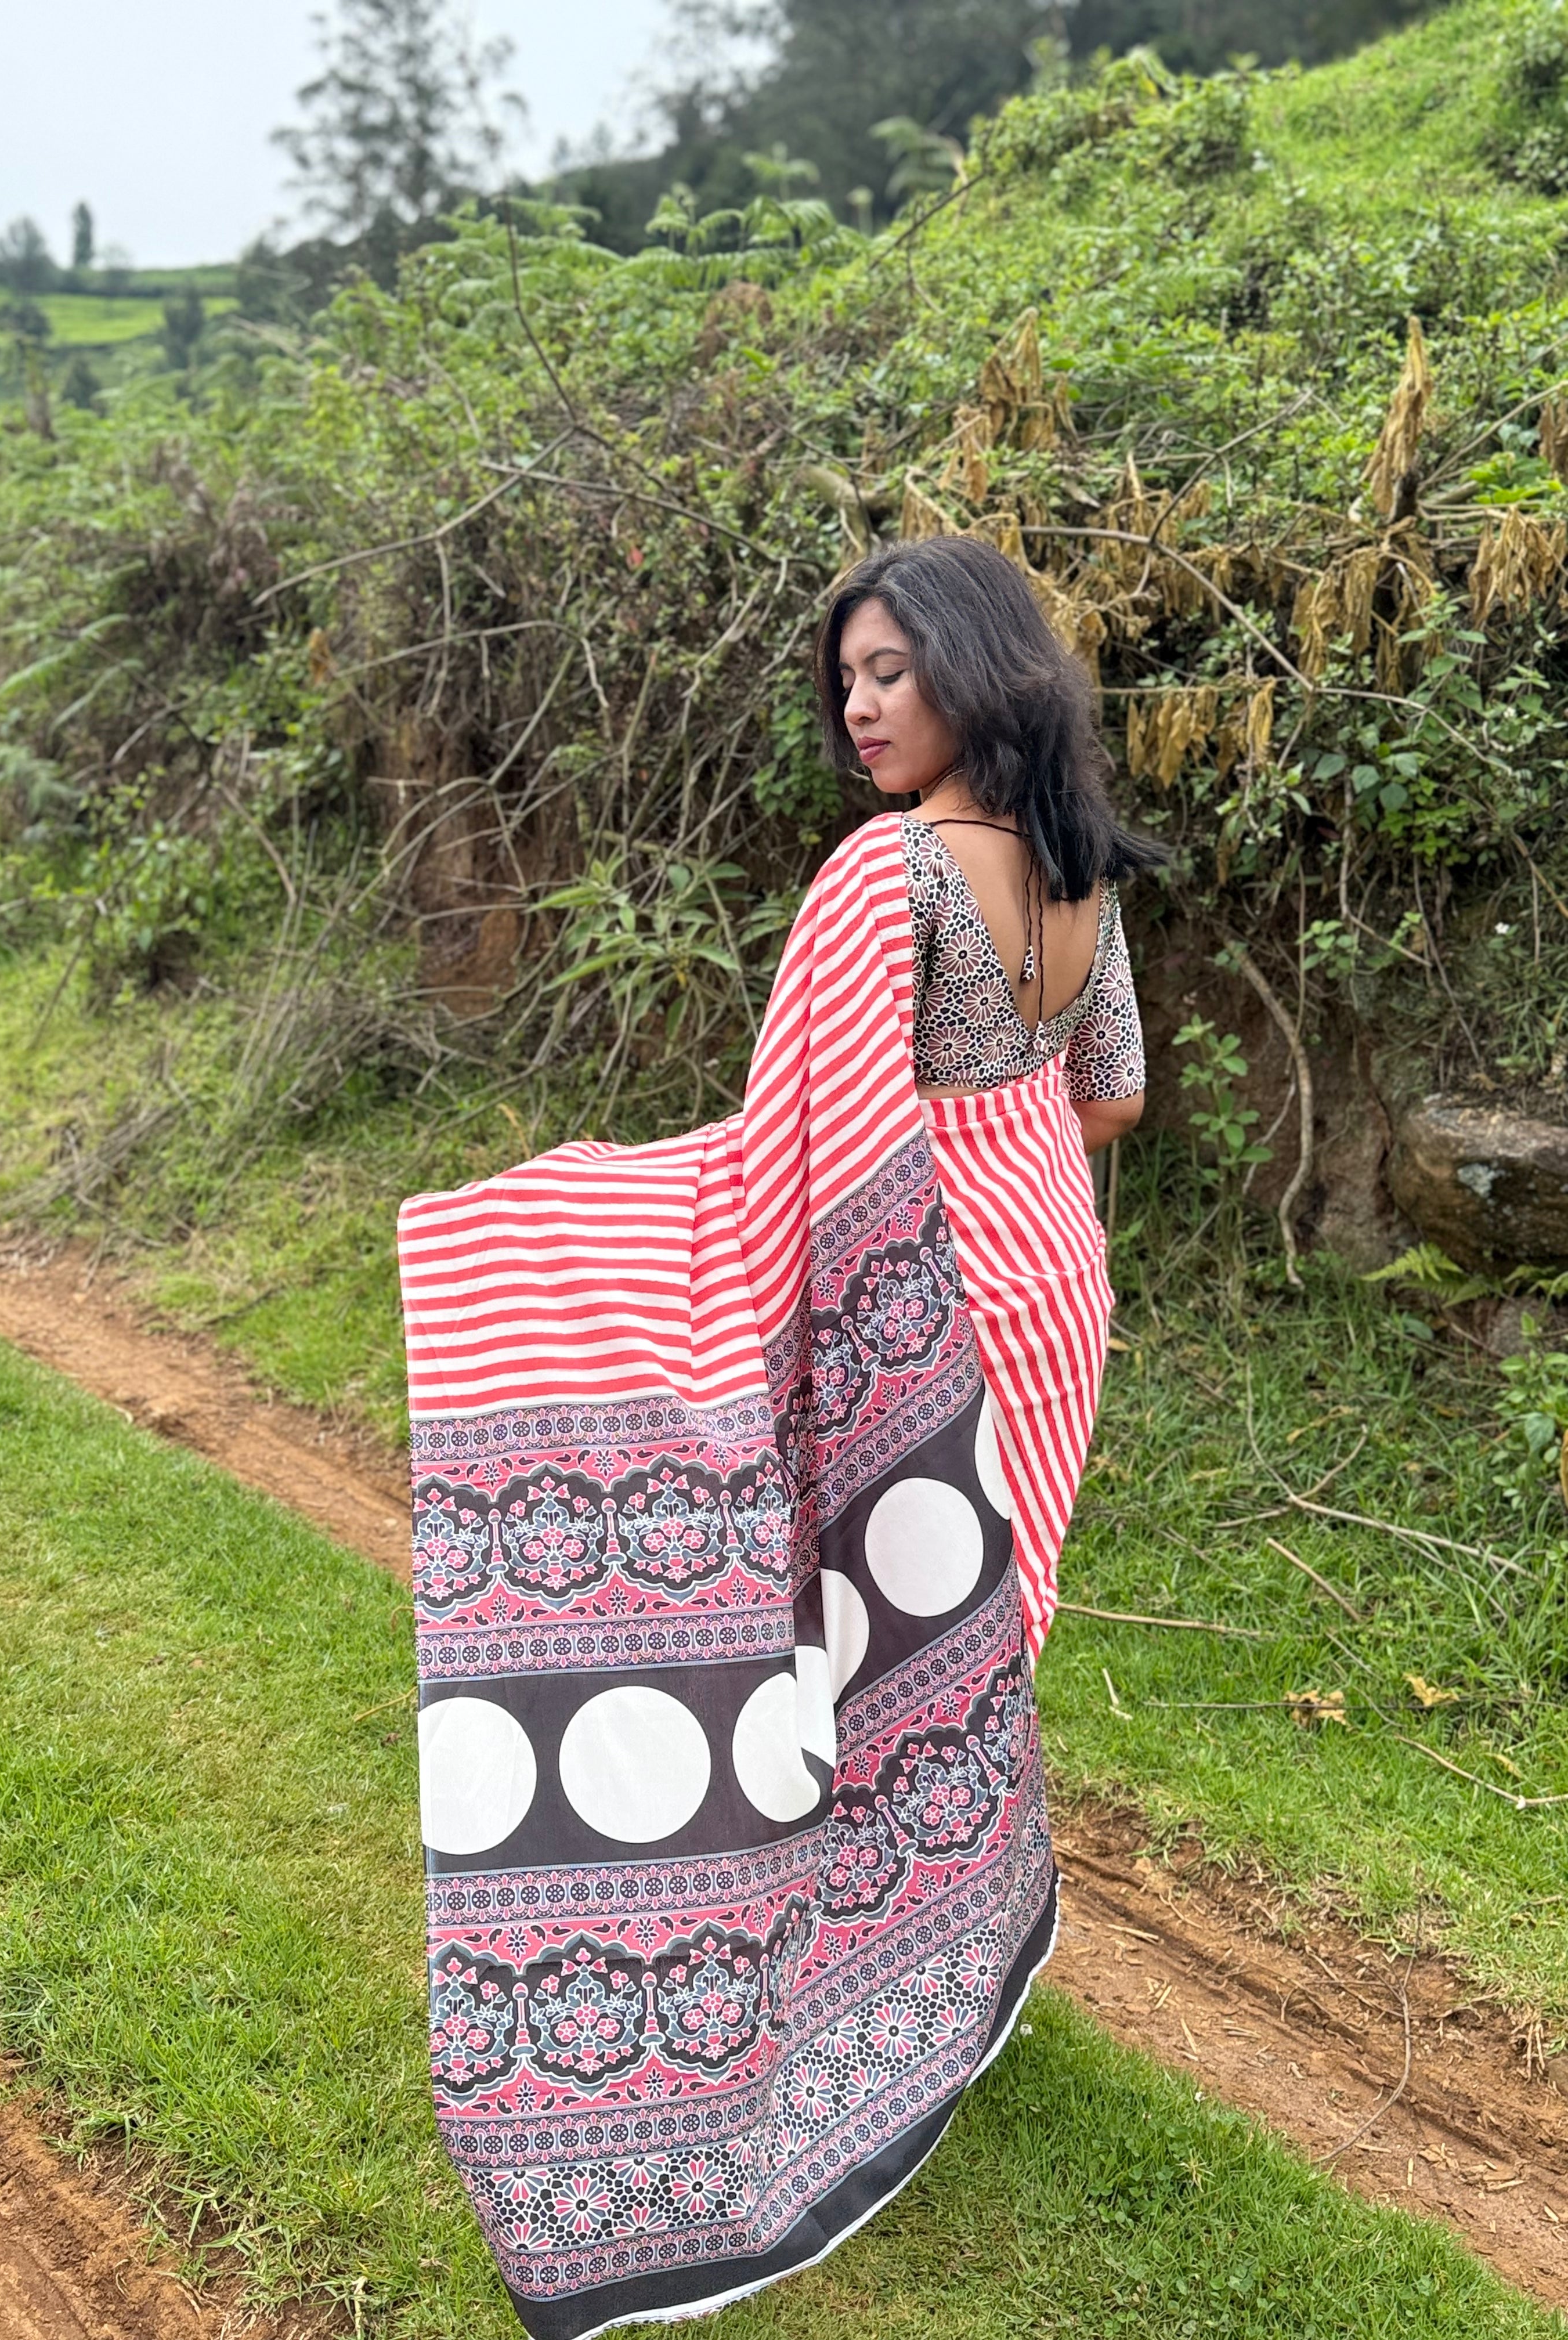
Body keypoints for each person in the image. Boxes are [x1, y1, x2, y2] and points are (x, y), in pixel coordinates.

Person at [398, 535, 1157, 2340]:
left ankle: (867, 1998)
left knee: (870, 1647)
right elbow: (1111, 1095)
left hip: (929, 1295)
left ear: (977, 665)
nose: (862, 706)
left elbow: (791, 1150)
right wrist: (1004, 1155)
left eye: (894, 670)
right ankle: (948, 1960)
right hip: (1053, 1284)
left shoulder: (885, 873)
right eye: (848, 679)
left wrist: (571, 1215)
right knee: (975, 1641)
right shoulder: (1077, 869)